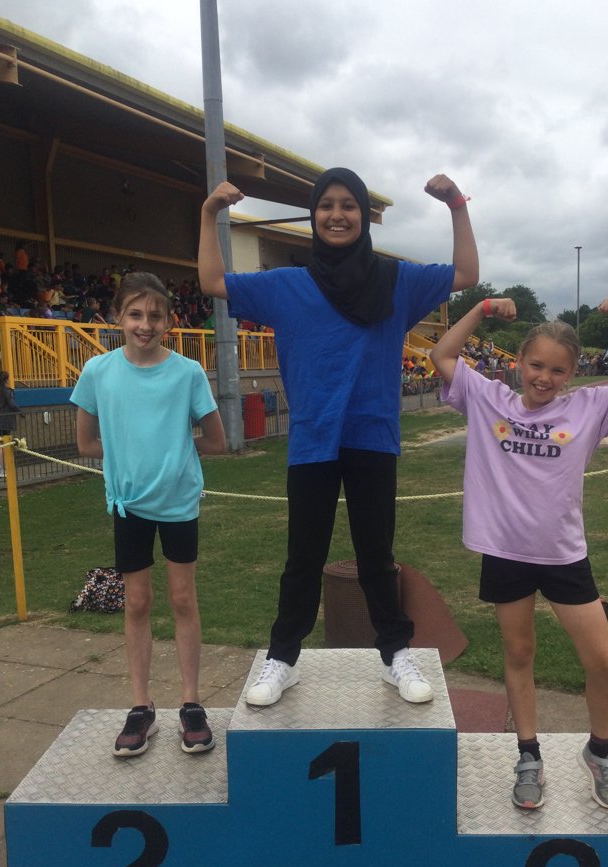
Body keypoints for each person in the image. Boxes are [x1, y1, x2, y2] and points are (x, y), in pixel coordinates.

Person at [199, 168, 478, 707]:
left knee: (377, 555)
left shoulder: (396, 281)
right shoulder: (287, 285)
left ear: (363, 216)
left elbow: (467, 272)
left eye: (348, 204)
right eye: (326, 205)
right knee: (303, 556)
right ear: (313, 214)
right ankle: (283, 657)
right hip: (313, 439)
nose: (336, 214)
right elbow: (213, 282)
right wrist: (210, 214)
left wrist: (456, 205)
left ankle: (396, 654)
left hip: (372, 435)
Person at [430, 294, 608, 810]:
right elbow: (443, 357)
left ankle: (600, 751)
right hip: (505, 552)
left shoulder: (589, 407)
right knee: (519, 654)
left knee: (603, 661)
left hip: (563, 555)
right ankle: (528, 755)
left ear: (572, 371)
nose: (544, 377)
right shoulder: (488, 398)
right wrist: (480, 312)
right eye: (535, 365)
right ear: (518, 363)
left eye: (557, 370)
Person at [71, 272, 227, 757]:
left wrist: (172, 455)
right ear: (117, 317)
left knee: (183, 598)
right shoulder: (98, 372)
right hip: (130, 505)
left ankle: (190, 704)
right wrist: (127, 461)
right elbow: (86, 442)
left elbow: (217, 439)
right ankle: (141, 707)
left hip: (178, 504)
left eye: (155, 315)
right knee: (136, 602)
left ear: (168, 320)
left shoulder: (187, 372)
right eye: (135, 314)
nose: (145, 324)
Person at [0, 371, 23, 478]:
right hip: (3, 421)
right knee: (3, 444)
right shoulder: (6, 391)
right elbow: (12, 404)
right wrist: (20, 412)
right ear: (6, 379)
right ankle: (0, 469)